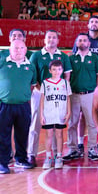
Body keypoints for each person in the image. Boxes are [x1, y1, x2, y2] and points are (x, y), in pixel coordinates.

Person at [28, 30, 72, 167]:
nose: (51, 40)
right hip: (39, 92)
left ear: (58, 41)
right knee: (36, 123)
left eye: (54, 38)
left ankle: (56, 154)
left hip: (58, 94)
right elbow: (31, 74)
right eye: (49, 37)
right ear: (44, 40)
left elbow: (67, 75)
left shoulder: (63, 56)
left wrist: (61, 89)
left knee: (56, 126)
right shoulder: (36, 55)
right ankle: (31, 154)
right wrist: (42, 90)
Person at [63, 34, 98, 162]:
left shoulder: (95, 58)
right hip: (74, 94)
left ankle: (92, 148)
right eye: (79, 40)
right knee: (72, 123)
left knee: (92, 123)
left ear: (89, 43)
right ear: (76, 43)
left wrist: (93, 89)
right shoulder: (70, 58)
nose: (82, 42)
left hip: (89, 94)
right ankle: (73, 149)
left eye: (85, 40)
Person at [0, 40, 37, 174]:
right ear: (10, 50)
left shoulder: (30, 66)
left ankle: (21, 159)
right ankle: (2, 162)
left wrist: (23, 96)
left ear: (25, 50)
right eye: (15, 48)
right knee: (3, 135)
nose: (18, 50)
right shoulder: (2, 63)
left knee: (22, 134)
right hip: (4, 105)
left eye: (21, 48)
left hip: (23, 106)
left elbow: (33, 85)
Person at [40, 60, 72, 169]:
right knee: (49, 135)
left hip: (61, 112)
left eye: (59, 69)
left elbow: (68, 98)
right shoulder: (45, 83)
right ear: (50, 71)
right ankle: (48, 157)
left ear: (62, 70)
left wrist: (69, 112)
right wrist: (41, 115)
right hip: (48, 113)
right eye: (54, 69)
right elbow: (42, 99)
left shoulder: (65, 83)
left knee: (59, 134)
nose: (56, 71)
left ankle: (59, 157)